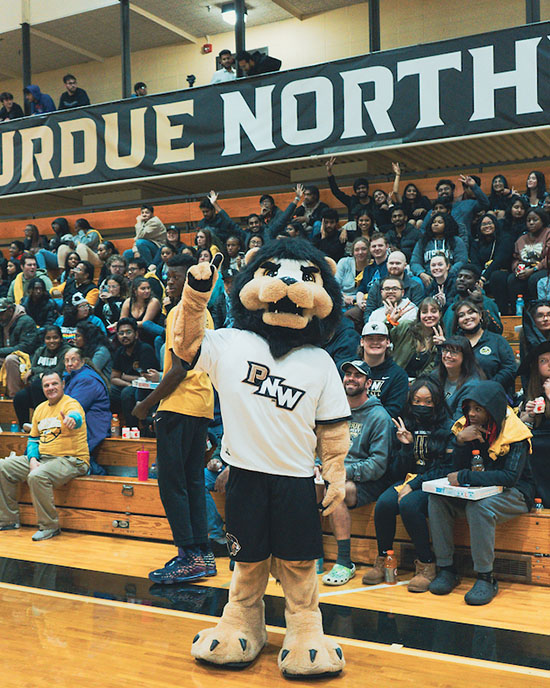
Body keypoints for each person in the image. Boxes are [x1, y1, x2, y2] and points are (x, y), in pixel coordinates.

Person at [132, 253, 216, 583]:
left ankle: (188, 555)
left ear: (190, 282)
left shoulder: (182, 313)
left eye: (175, 278)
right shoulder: (205, 314)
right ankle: (202, 554)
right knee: (193, 482)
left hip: (179, 405)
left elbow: (178, 370)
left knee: (172, 484)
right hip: (201, 404)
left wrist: (146, 405)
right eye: (167, 278)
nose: (168, 283)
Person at [428, 380, 535, 605]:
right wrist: (460, 442)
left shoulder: (516, 433)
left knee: (480, 507)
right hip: (478, 490)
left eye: (478, 409)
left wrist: (467, 477)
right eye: (469, 408)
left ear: (492, 409)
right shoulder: (466, 427)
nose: (472, 414)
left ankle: (486, 578)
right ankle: (447, 568)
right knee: (436, 500)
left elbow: (509, 478)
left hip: (515, 493)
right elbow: (455, 470)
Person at [364, 378, 452, 591]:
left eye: (428, 402)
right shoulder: (405, 423)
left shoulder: (448, 427)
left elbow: (447, 469)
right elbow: (396, 471)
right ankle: (384, 558)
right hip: (408, 479)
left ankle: (426, 564)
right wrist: (405, 447)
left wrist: (414, 485)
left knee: (409, 505)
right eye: (417, 401)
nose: (422, 406)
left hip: (435, 483)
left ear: (437, 402)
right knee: (384, 504)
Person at [320, 360, 393, 586]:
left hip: (367, 482)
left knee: (336, 491)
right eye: (348, 374)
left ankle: (344, 562)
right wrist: (316, 463)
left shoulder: (379, 416)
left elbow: (377, 465)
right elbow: (320, 444)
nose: (351, 378)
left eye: (357, 375)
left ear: (368, 382)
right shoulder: (334, 409)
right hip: (334, 473)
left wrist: (341, 472)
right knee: (305, 486)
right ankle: (312, 552)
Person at [0, 371, 89, 540]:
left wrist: (71, 420)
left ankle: (50, 526)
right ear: (42, 389)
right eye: (46, 385)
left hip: (72, 460)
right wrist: (33, 459)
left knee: (37, 476)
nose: (51, 388)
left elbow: (75, 417)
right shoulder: (40, 409)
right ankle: (8, 520)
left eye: (54, 384)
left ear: (62, 384)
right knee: (3, 467)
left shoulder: (71, 404)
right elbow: (33, 439)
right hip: (45, 458)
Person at [452, 299, 516, 393]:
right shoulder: (454, 344)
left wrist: (488, 387)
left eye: (471, 312)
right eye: (461, 315)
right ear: (457, 321)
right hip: (462, 397)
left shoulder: (497, 341)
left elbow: (510, 368)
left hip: (493, 394)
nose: (467, 317)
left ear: (480, 315)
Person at [63, 348, 111, 470]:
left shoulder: (86, 379)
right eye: (66, 360)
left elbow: (74, 406)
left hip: (92, 426)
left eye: (73, 360)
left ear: (82, 361)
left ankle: (95, 472)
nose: (69, 364)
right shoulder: (75, 377)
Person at [13, 326, 70, 428]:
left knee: (37, 384)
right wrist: (37, 372)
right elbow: (31, 375)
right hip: (38, 389)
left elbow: (57, 372)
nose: (51, 341)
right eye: (48, 338)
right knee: (19, 397)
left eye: (55, 337)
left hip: (57, 389)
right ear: (44, 340)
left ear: (61, 339)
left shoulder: (66, 352)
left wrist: (36, 371)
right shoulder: (40, 351)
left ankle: (39, 423)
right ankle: (24, 428)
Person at [518, 341, 550, 506]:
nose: (549, 365)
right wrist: (528, 417)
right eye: (543, 361)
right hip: (537, 449)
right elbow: (520, 429)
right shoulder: (532, 391)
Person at [110, 318, 158, 427]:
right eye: (121, 333)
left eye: (128, 332)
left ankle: (133, 428)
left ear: (136, 334)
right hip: (131, 385)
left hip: (147, 388)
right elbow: (114, 378)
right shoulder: (119, 352)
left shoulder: (145, 349)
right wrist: (128, 382)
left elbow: (146, 378)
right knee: (111, 391)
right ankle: (114, 426)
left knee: (127, 393)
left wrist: (124, 376)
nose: (124, 336)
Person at [360, 321, 408, 418]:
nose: (375, 342)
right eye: (370, 339)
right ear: (362, 342)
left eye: (380, 339)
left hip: (380, 427)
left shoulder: (398, 375)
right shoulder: (350, 370)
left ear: (388, 342)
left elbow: (393, 411)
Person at [390, 297, 446, 379]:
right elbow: (380, 338)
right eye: (424, 312)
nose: (429, 315)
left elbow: (432, 370)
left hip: (419, 385)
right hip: (394, 379)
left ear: (440, 314)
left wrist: (442, 347)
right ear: (419, 315)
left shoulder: (440, 339)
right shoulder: (406, 327)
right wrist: (390, 322)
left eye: (433, 311)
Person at [506, 208, 550, 309]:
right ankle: (517, 312)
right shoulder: (522, 239)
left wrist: (533, 269)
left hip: (544, 268)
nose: (531, 223)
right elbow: (516, 258)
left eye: (535, 220)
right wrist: (517, 269)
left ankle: (536, 310)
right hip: (526, 268)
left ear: (543, 220)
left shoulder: (548, 234)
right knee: (512, 279)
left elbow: (548, 257)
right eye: (528, 220)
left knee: (534, 279)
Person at [470, 213, 514, 315]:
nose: (487, 226)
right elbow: (475, 263)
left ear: (495, 224)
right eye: (483, 224)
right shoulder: (476, 244)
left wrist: (484, 277)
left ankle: (502, 313)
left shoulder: (505, 239)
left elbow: (499, 260)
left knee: (496, 276)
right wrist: (478, 278)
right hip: (482, 276)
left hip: (501, 273)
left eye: (490, 223)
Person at [362, 251, 424, 321]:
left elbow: (418, 312)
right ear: (387, 265)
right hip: (379, 323)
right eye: (391, 263)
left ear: (405, 265)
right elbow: (369, 310)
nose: (394, 266)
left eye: (398, 263)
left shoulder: (415, 286)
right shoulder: (378, 285)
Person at [441, 265, 502, 335]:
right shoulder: (451, 308)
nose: (462, 279)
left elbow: (498, 329)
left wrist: (480, 303)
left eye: (468, 277)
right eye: (459, 276)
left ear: (477, 283)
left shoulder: (486, 302)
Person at [434, 335, 485, 420]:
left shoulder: (472, 385)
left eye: (454, 352)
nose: (448, 355)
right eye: (445, 350)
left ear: (465, 356)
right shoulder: (435, 375)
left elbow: (459, 422)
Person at [411, 212, 467, 287]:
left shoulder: (456, 241)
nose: (435, 224)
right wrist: (421, 273)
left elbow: (462, 261)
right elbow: (414, 262)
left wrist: (448, 273)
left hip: (451, 276)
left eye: (440, 222)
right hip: (428, 277)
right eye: (434, 222)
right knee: (416, 281)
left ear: (447, 225)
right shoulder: (423, 242)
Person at [0, 297, 40, 398]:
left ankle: (14, 397)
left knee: (11, 359)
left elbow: (25, 347)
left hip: (26, 357)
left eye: (2, 313)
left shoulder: (26, 321)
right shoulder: (2, 322)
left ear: (10, 310)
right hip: (4, 355)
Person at [325, 156, 374, 220]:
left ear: (367, 189)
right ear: (355, 191)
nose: (361, 190)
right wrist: (329, 172)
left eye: (363, 187)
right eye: (358, 189)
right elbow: (336, 191)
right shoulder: (351, 201)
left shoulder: (374, 201)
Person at [120, 277, 162, 344]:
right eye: (143, 289)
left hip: (149, 336)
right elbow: (122, 321)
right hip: (132, 335)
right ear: (135, 290)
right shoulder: (128, 302)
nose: (147, 291)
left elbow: (145, 323)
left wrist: (127, 325)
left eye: (148, 288)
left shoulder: (154, 302)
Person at [335, 237, 370, 309]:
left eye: (363, 249)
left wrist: (354, 298)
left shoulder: (372, 267)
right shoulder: (344, 262)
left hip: (360, 302)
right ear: (353, 252)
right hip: (340, 299)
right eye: (357, 250)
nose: (360, 252)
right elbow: (335, 285)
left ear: (369, 250)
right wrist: (344, 297)